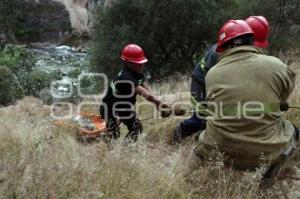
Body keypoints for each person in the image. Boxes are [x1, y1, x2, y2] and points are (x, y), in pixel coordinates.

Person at [191, 19, 298, 178]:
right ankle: (272, 176)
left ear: (224, 47)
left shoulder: (212, 73)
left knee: (202, 135)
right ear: (252, 41)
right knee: (291, 129)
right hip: (268, 153)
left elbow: (213, 108)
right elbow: (282, 97)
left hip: (222, 152)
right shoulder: (276, 65)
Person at [173, 16, 270, 144]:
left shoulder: (251, 53)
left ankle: (206, 136)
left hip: (218, 81)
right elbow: (219, 81)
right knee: (202, 117)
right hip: (202, 83)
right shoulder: (219, 54)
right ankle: (179, 133)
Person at [100, 44, 171, 143]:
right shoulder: (125, 77)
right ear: (127, 62)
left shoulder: (138, 73)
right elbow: (145, 94)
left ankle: (125, 149)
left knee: (136, 129)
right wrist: (161, 104)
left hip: (123, 107)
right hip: (109, 108)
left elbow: (148, 92)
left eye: (142, 63)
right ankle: (110, 151)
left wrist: (159, 105)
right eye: (137, 63)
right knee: (113, 135)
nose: (141, 65)